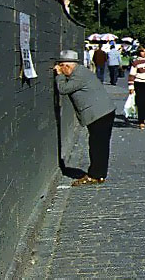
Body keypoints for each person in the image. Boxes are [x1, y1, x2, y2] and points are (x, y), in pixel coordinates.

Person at [54, 50, 116, 186]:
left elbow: (63, 89)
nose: (61, 69)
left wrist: (59, 76)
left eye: (62, 66)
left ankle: (95, 175)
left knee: (97, 145)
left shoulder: (80, 75)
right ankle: (99, 173)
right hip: (101, 112)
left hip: (100, 114)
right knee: (99, 145)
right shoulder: (80, 72)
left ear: (68, 66)